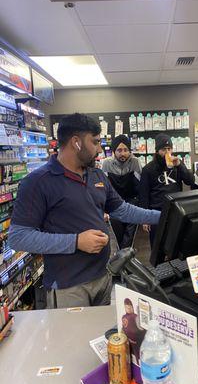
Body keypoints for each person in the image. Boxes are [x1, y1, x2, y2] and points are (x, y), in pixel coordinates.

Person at [8, 113, 160, 308]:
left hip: (103, 278)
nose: (99, 148)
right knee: (73, 339)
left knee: (101, 337)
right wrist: (76, 241)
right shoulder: (38, 182)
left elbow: (123, 210)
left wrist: (163, 217)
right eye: (95, 142)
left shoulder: (96, 174)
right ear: (76, 142)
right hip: (68, 287)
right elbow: (18, 237)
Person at [139, 133, 194, 247]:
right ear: (157, 151)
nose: (167, 152)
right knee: (157, 246)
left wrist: (180, 165)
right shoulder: (148, 169)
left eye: (169, 149)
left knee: (175, 245)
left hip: (176, 211)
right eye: (164, 149)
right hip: (157, 212)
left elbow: (190, 181)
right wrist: (145, 218)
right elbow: (144, 194)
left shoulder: (177, 165)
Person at [102, 134, 142, 249]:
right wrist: (103, 209)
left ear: (129, 150)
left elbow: (140, 187)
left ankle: (126, 257)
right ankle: (123, 256)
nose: (123, 153)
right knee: (118, 233)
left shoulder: (135, 162)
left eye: (126, 150)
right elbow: (103, 188)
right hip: (115, 203)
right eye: (119, 150)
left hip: (132, 202)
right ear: (114, 151)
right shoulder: (106, 163)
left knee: (130, 235)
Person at [121, 298, 146, 365]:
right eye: (127, 307)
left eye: (130, 307)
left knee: (140, 360)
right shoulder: (124, 317)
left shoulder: (136, 317)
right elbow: (123, 328)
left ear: (132, 307)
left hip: (138, 344)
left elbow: (142, 329)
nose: (129, 309)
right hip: (129, 342)